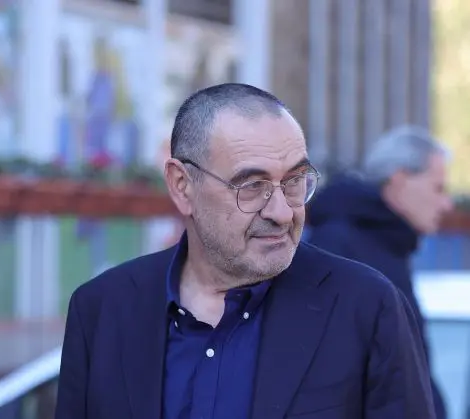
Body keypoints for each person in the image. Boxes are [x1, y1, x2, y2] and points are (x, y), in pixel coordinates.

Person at [56, 83, 436, 419]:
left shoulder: (365, 306)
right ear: (182, 185)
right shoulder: (102, 310)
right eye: (251, 186)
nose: (282, 212)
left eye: (294, 182)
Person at [306, 126, 453, 419]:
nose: (446, 204)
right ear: (399, 181)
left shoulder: (386, 244)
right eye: (438, 188)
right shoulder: (339, 244)